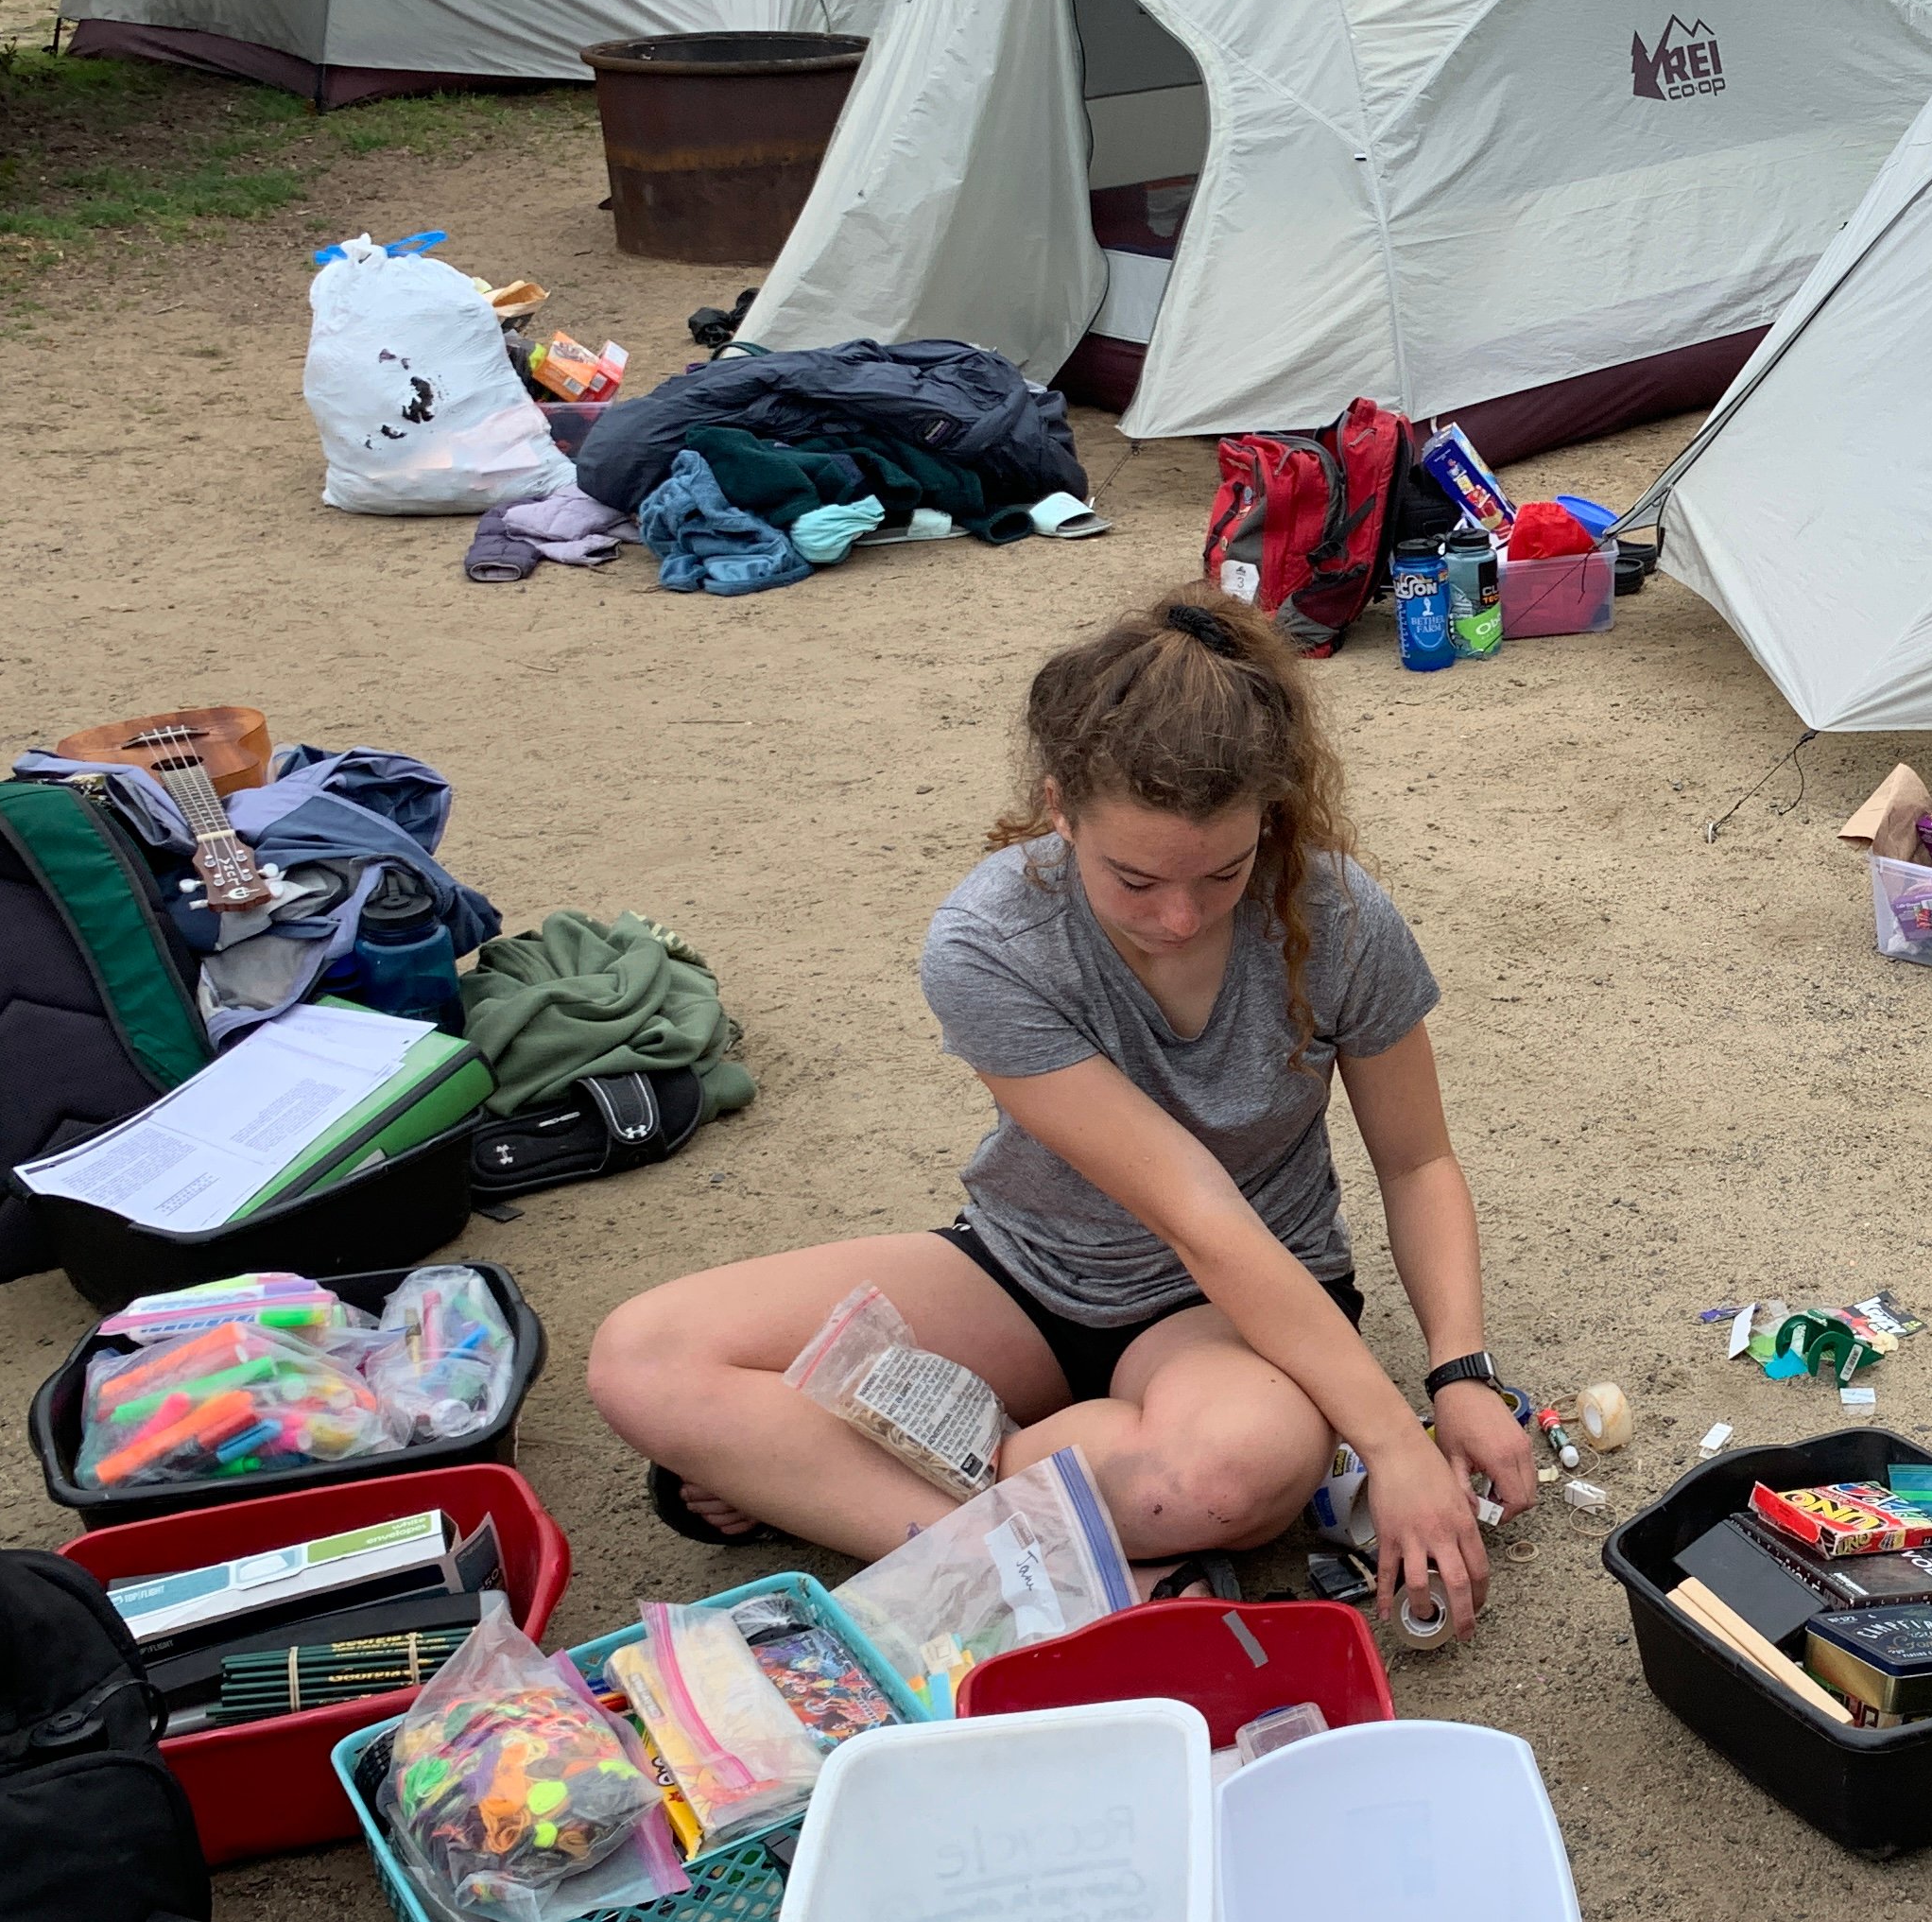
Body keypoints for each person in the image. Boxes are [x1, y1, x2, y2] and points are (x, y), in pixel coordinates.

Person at [587, 586, 1527, 1632]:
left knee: (1225, 1479)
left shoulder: (1337, 908)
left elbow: (1416, 1163)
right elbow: (1188, 1210)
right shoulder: (992, 940)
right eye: (1133, 879)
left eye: (1224, 871)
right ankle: (1065, 1554)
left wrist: (1459, 1372)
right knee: (643, 1355)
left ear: (1271, 815)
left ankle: (909, 1463)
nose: (1177, 917)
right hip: (1029, 1270)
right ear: (1059, 807)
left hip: (1240, 1308)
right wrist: (1392, 1444)